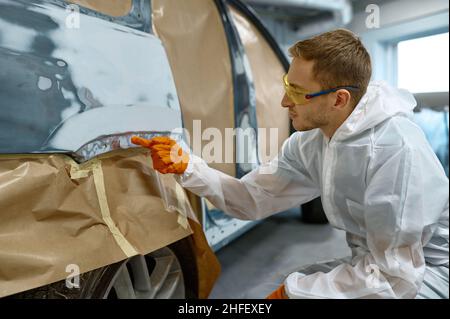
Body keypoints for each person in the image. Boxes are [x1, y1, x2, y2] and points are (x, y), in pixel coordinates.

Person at [132, 29, 449, 299]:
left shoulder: (395, 152)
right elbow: (252, 199)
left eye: (297, 92)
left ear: (339, 99)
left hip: (428, 274)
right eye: (286, 85)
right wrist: (187, 166)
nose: (284, 102)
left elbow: (398, 279)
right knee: (287, 283)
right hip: (376, 265)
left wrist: (291, 293)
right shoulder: (312, 142)